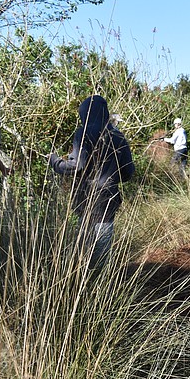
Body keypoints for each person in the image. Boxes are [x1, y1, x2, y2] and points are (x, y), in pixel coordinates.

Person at [49, 95, 135, 269]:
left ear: (85, 113)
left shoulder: (84, 132)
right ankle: (101, 285)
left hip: (86, 199)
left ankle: (86, 284)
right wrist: (110, 177)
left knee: (84, 249)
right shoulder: (118, 136)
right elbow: (128, 173)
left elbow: (76, 166)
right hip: (108, 201)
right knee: (102, 252)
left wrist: (54, 161)